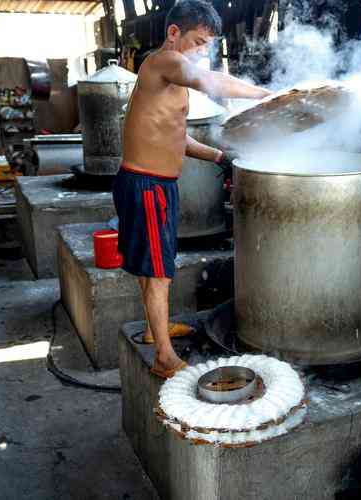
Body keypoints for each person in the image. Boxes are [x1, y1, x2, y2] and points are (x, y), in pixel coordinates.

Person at [114, 0, 272, 378]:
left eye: (207, 44)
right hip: (148, 186)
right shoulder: (163, 61)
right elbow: (213, 81)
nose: (204, 51)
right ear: (174, 34)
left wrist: (220, 157)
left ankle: (156, 331)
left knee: (151, 266)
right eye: (199, 41)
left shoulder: (171, 80)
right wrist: (264, 94)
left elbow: (176, 136)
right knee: (159, 272)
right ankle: (164, 358)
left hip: (153, 185)